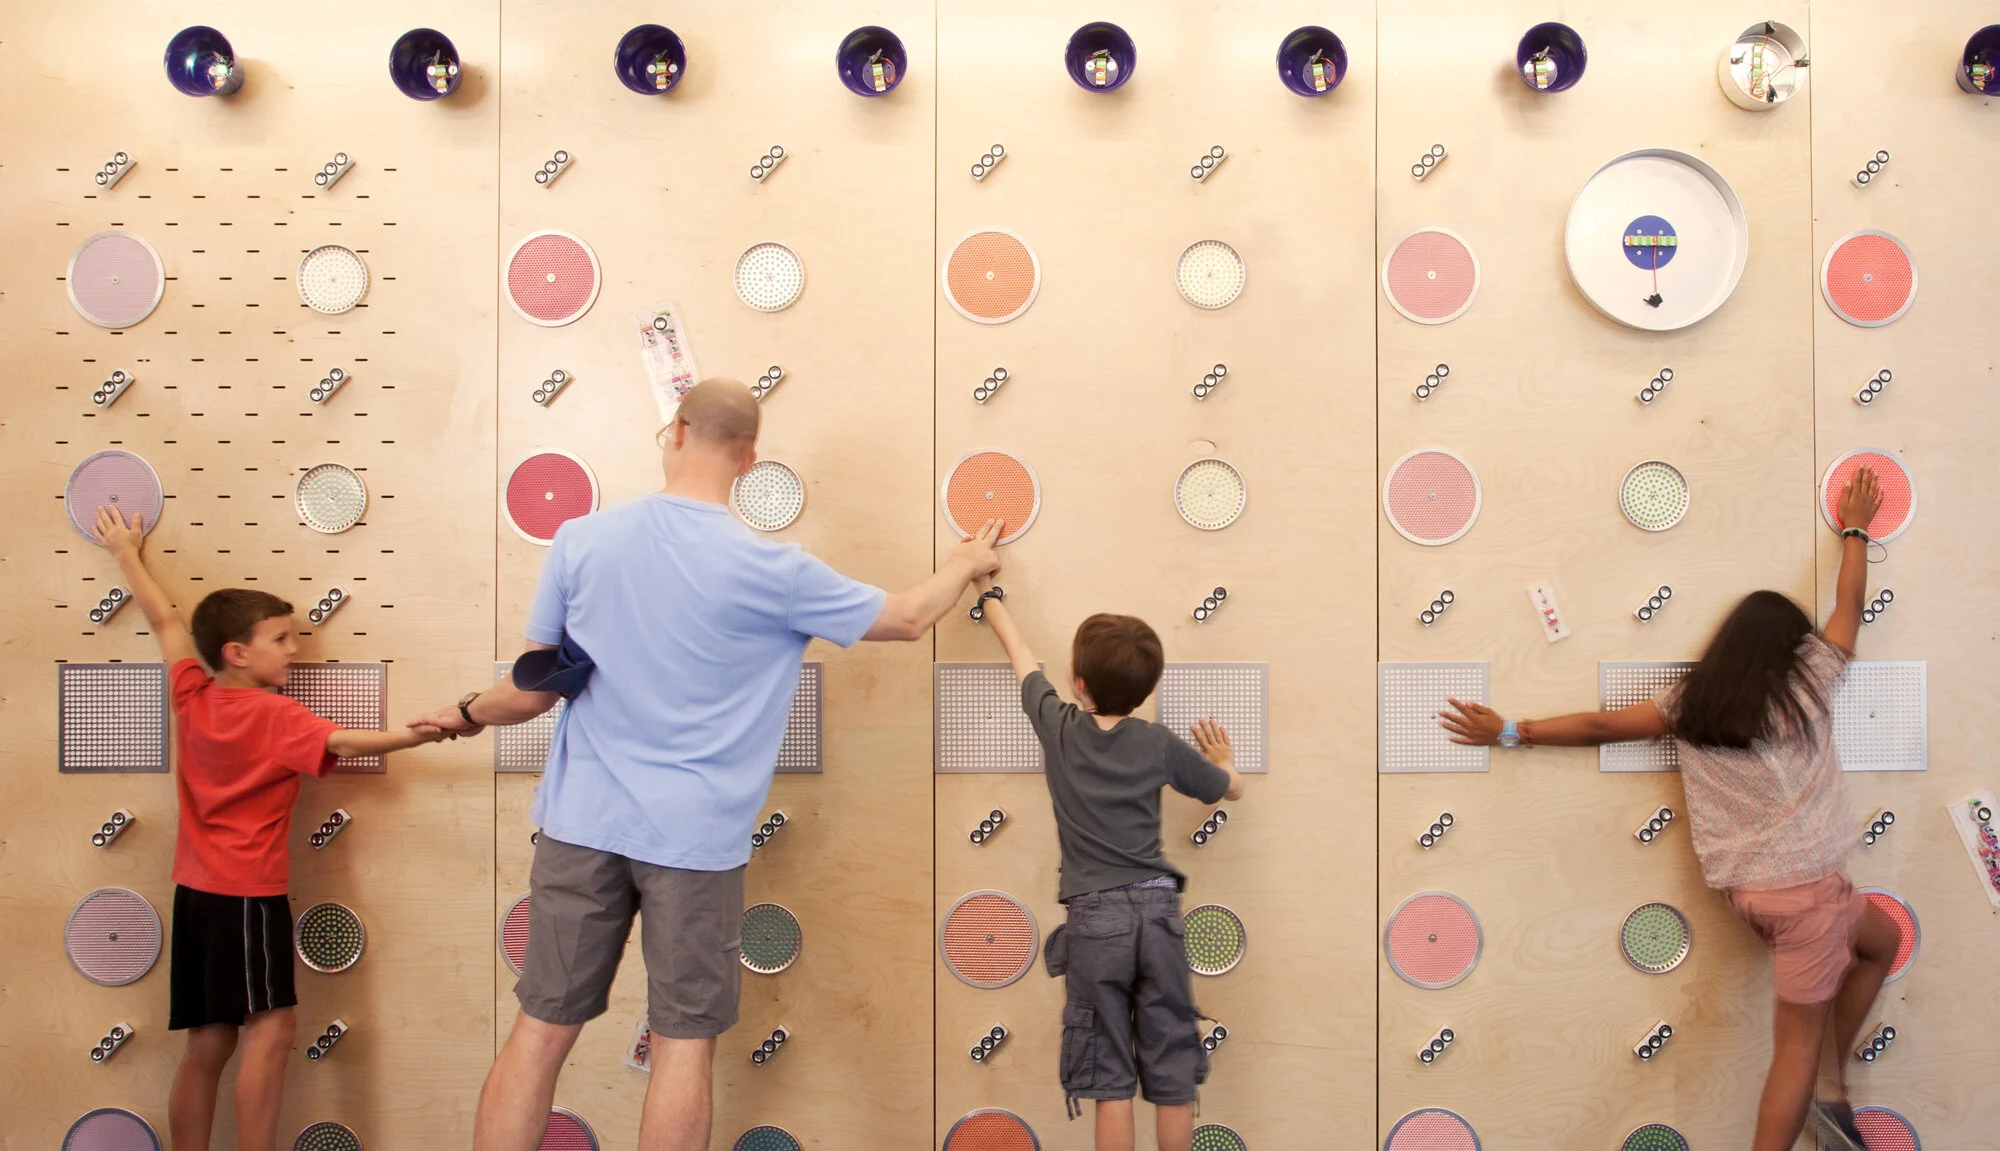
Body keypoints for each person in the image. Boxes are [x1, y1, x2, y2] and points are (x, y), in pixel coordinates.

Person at [409, 379, 1003, 1151]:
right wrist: (964, 560)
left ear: (677, 432)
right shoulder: (776, 569)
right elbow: (909, 616)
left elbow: (529, 691)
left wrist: (461, 714)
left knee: (542, 1027)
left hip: (581, 823)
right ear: (750, 458)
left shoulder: (581, 541)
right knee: (683, 1044)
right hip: (694, 842)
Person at [1437, 467, 1898, 1151]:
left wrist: (1511, 730)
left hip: (1757, 896)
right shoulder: (1810, 681)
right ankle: (1820, 1099)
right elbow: (1850, 606)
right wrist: (1855, 530)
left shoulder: (1691, 702)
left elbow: (1598, 726)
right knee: (1794, 1049)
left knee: (1881, 942)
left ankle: (1832, 1089)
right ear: (1789, 649)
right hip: (1807, 897)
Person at [94, 507, 445, 1151]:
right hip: (247, 896)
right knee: (273, 1027)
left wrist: (125, 554)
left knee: (208, 1038)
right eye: (281, 639)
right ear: (237, 652)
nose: (294, 650)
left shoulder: (193, 695)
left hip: (194, 893)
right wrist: (427, 732)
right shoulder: (276, 717)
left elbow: (165, 621)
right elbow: (347, 741)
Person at [973, 589, 1243, 1151]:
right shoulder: (1158, 743)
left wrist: (987, 593)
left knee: (1109, 1074)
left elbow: (1019, 651)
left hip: (1096, 921)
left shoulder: (1059, 726)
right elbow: (1229, 790)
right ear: (1145, 691)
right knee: (1172, 1070)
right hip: (1159, 914)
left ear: (1079, 683)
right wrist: (1225, 764)